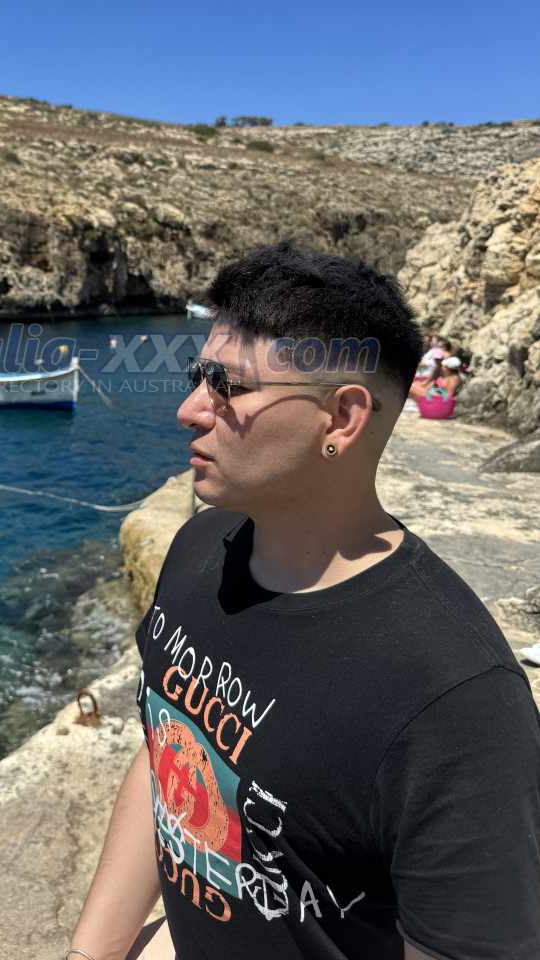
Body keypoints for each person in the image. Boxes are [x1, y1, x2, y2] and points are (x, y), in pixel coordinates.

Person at [67, 241, 540, 960]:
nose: (188, 410)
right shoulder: (199, 551)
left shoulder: (454, 701)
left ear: (341, 419)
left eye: (228, 387)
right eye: (198, 377)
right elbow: (169, 748)